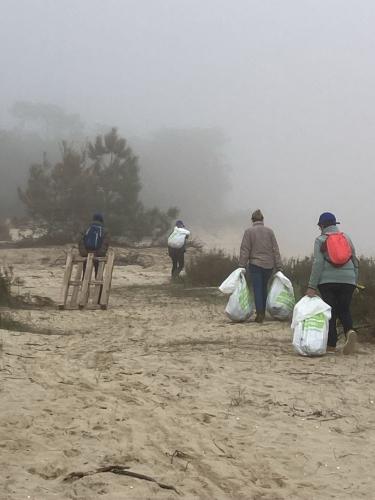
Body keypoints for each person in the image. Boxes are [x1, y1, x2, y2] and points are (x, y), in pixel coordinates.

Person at [306, 212, 358, 354]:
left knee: (330, 311)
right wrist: (355, 280)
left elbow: (318, 264)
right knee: (344, 309)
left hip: (327, 281)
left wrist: (312, 286)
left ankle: (331, 344)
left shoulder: (320, 240)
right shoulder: (346, 238)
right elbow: (354, 260)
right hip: (348, 279)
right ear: (335, 224)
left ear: (322, 225)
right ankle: (349, 331)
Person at [239, 209, 282, 323]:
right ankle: (262, 311)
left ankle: (260, 314)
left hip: (255, 264)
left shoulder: (249, 232)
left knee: (257, 288)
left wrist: (241, 265)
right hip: (269, 265)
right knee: (264, 288)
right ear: (262, 219)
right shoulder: (270, 231)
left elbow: (245, 249)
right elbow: (275, 249)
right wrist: (279, 265)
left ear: (252, 220)